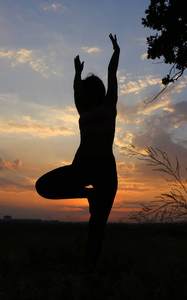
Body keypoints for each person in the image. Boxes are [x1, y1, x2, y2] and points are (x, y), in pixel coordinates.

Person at [35, 33, 120, 270]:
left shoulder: (109, 104)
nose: (83, 93)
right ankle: (88, 196)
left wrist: (116, 52)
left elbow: (112, 74)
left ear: (97, 91)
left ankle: (89, 269)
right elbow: (76, 89)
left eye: (86, 90)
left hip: (105, 169)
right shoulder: (82, 108)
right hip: (82, 165)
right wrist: (77, 74)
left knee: (98, 224)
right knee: (44, 186)